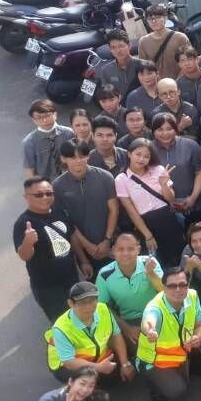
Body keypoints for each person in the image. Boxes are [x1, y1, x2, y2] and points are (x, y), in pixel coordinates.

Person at [136, 266, 201, 401]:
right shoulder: (155, 307)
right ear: (164, 287)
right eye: (172, 286)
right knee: (177, 390)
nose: (178, 290)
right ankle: (154, 384)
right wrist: (149, 329)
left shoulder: (192, 295)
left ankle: (195, 369)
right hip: (156, 361)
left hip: (182, 350)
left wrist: (199, 336)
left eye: (182, 285)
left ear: (188, 285)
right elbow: (149, 321)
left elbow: (199, 325)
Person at [16, 176, 82, 320]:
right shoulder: (23, 223)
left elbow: (72, 237)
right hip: (48, 287)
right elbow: (24, 255)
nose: (45, 197)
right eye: (39, 194)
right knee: (63, 324)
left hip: (71, 279)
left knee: (81, 319)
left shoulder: (59, 212)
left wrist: (84, 261)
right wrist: (28, 241)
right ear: (26, 197)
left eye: (49, 193)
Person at [114, 137, 185, 267]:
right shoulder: (121, 179)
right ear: (129, 154)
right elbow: (131, 211)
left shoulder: (158, 169)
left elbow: (170, 199)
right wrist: (147, 235)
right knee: (157, 262)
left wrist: (164, 185)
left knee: (177, 256)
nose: (141, 159)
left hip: (168, 218)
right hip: (146, 223)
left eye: (146, 156)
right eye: (138, 154)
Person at [54, 140, 118, 281]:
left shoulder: (105, 177)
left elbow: (114, 210)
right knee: (95, 289)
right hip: (84, 249)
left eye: (82, 156)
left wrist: (107, 240)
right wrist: (84, 256)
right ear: (63, 159)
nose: (78, 161)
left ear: (88, 156)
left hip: (111, 244)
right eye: (72, 157)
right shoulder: (58, 186)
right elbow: (67, 224)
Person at [46, 280, 129, 383]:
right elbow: (69, 362)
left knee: (116, 374)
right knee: (85, 383)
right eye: (82, 302)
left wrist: (125, 364)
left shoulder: (103, 309)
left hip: (96, 355)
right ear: (71, 303)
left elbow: (116, 335)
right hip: (66, 365)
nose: (89, 306)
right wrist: (98, 367)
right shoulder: (61, 328)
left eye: (92, 300)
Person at [94, 230, 163, 347]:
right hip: (128, 321)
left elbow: (165, 291)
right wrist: (127, 329)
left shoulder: (149, 262)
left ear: (139, 250)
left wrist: (150, 273)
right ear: (113, 251)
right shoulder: (104, 274)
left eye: (130, 249)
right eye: (120, 249)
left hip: (157, 314)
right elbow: (102, 307)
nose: (125, 253)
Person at [23, 99, 74, 181]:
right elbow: (29, 168)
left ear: (55, 114)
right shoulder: (29, 141)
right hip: (45, 184)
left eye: (47, 115)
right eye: (39, 117)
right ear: (34, 120)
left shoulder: (68, 133)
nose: (44, 120)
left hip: (69, 179)